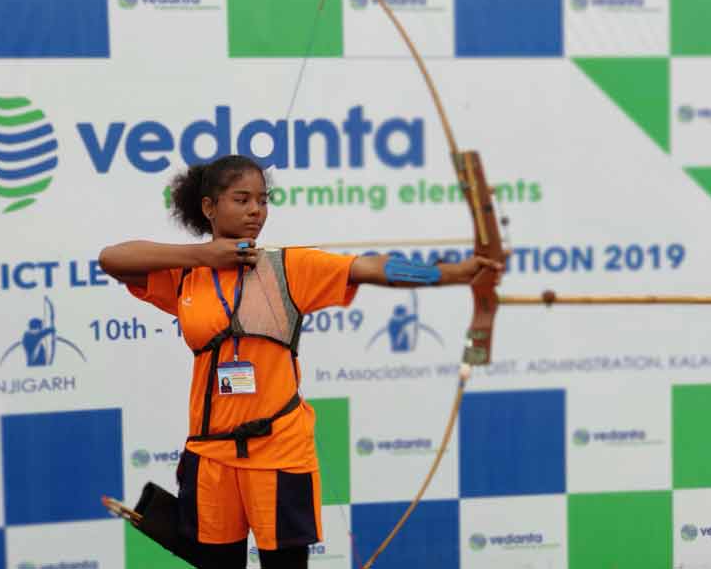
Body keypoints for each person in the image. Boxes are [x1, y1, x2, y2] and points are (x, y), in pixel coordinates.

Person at [98, 155, 502, 569]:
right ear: (208, 207)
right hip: (212, 456)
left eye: (262, 200)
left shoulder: (289, 267)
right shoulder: (186, 274)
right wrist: (205, 256)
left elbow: (371, 268)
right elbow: (112, 258)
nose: (256, 210)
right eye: (242, 199)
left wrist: (451, 274)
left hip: (279, 450)